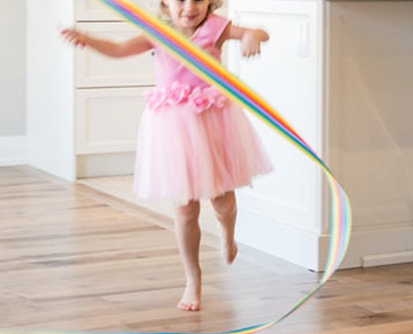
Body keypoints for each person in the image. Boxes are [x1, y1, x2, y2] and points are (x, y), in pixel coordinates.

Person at [61, 0, 273, 312]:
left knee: (223, 203)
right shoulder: (157, 32)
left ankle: (227, 235)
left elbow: (258, 33)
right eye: (180, 0)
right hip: (173, 128)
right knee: (185, 209)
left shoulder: (216, 27)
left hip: (212, 121)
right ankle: (193, 278)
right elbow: (119, 50)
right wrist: (88, 40)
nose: (190, 7)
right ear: (164, 2)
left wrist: (252, 35)